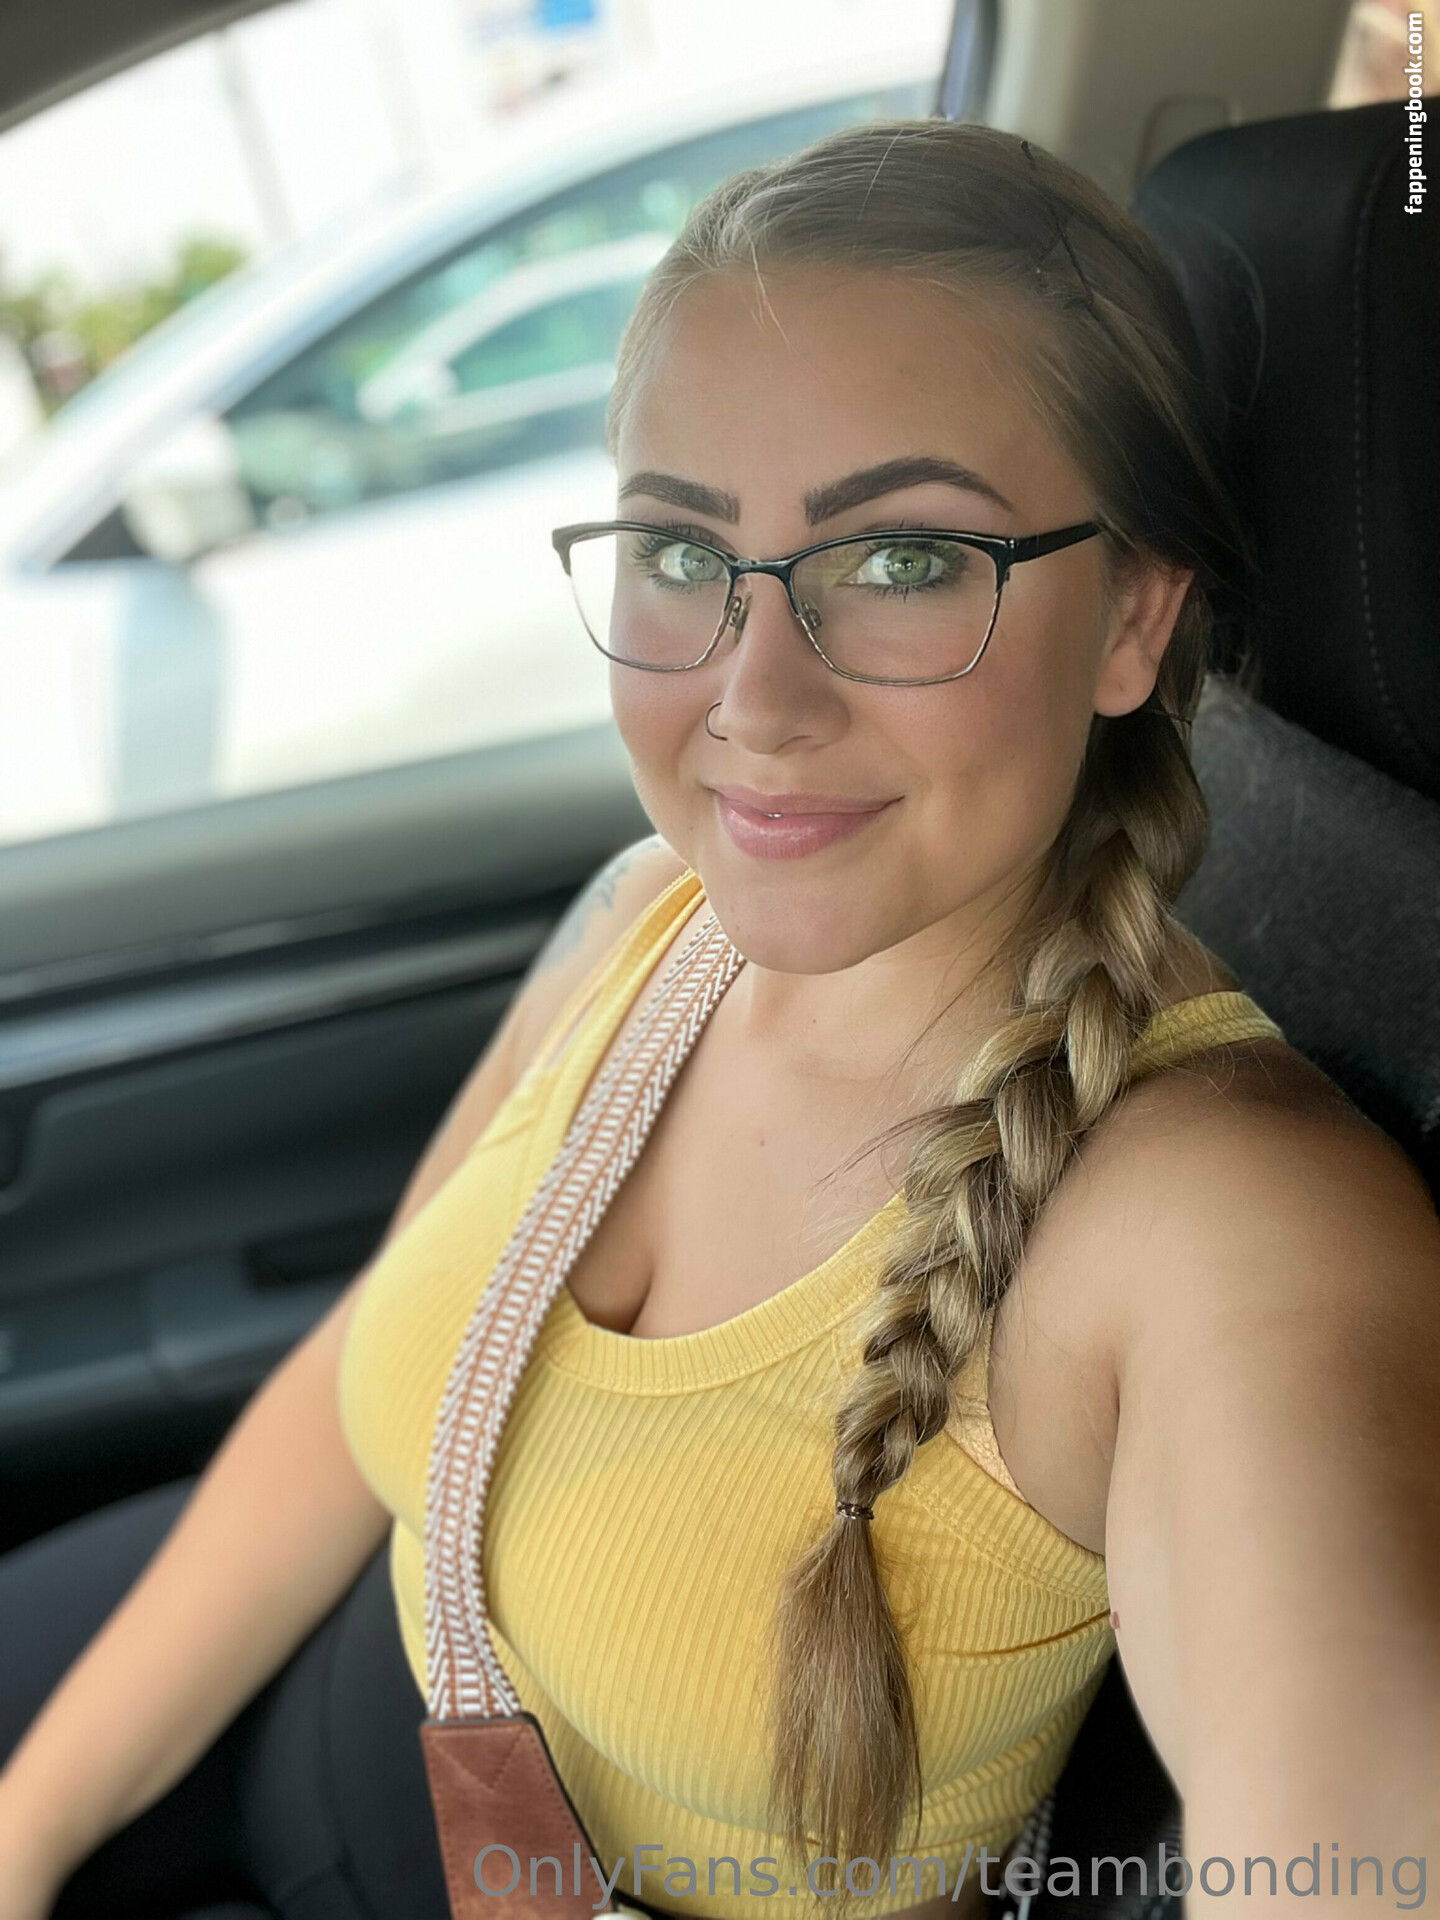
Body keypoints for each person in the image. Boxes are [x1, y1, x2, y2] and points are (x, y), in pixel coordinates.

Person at [1, 116, 1437, 1920]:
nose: (754, 700)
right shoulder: (647, 920)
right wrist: (31, 1823)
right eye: (681, 551)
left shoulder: (1219, 1224)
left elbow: (1349, 1839)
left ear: (1134, 622)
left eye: (903, 563)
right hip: (305, 1704)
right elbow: (362, 1383)